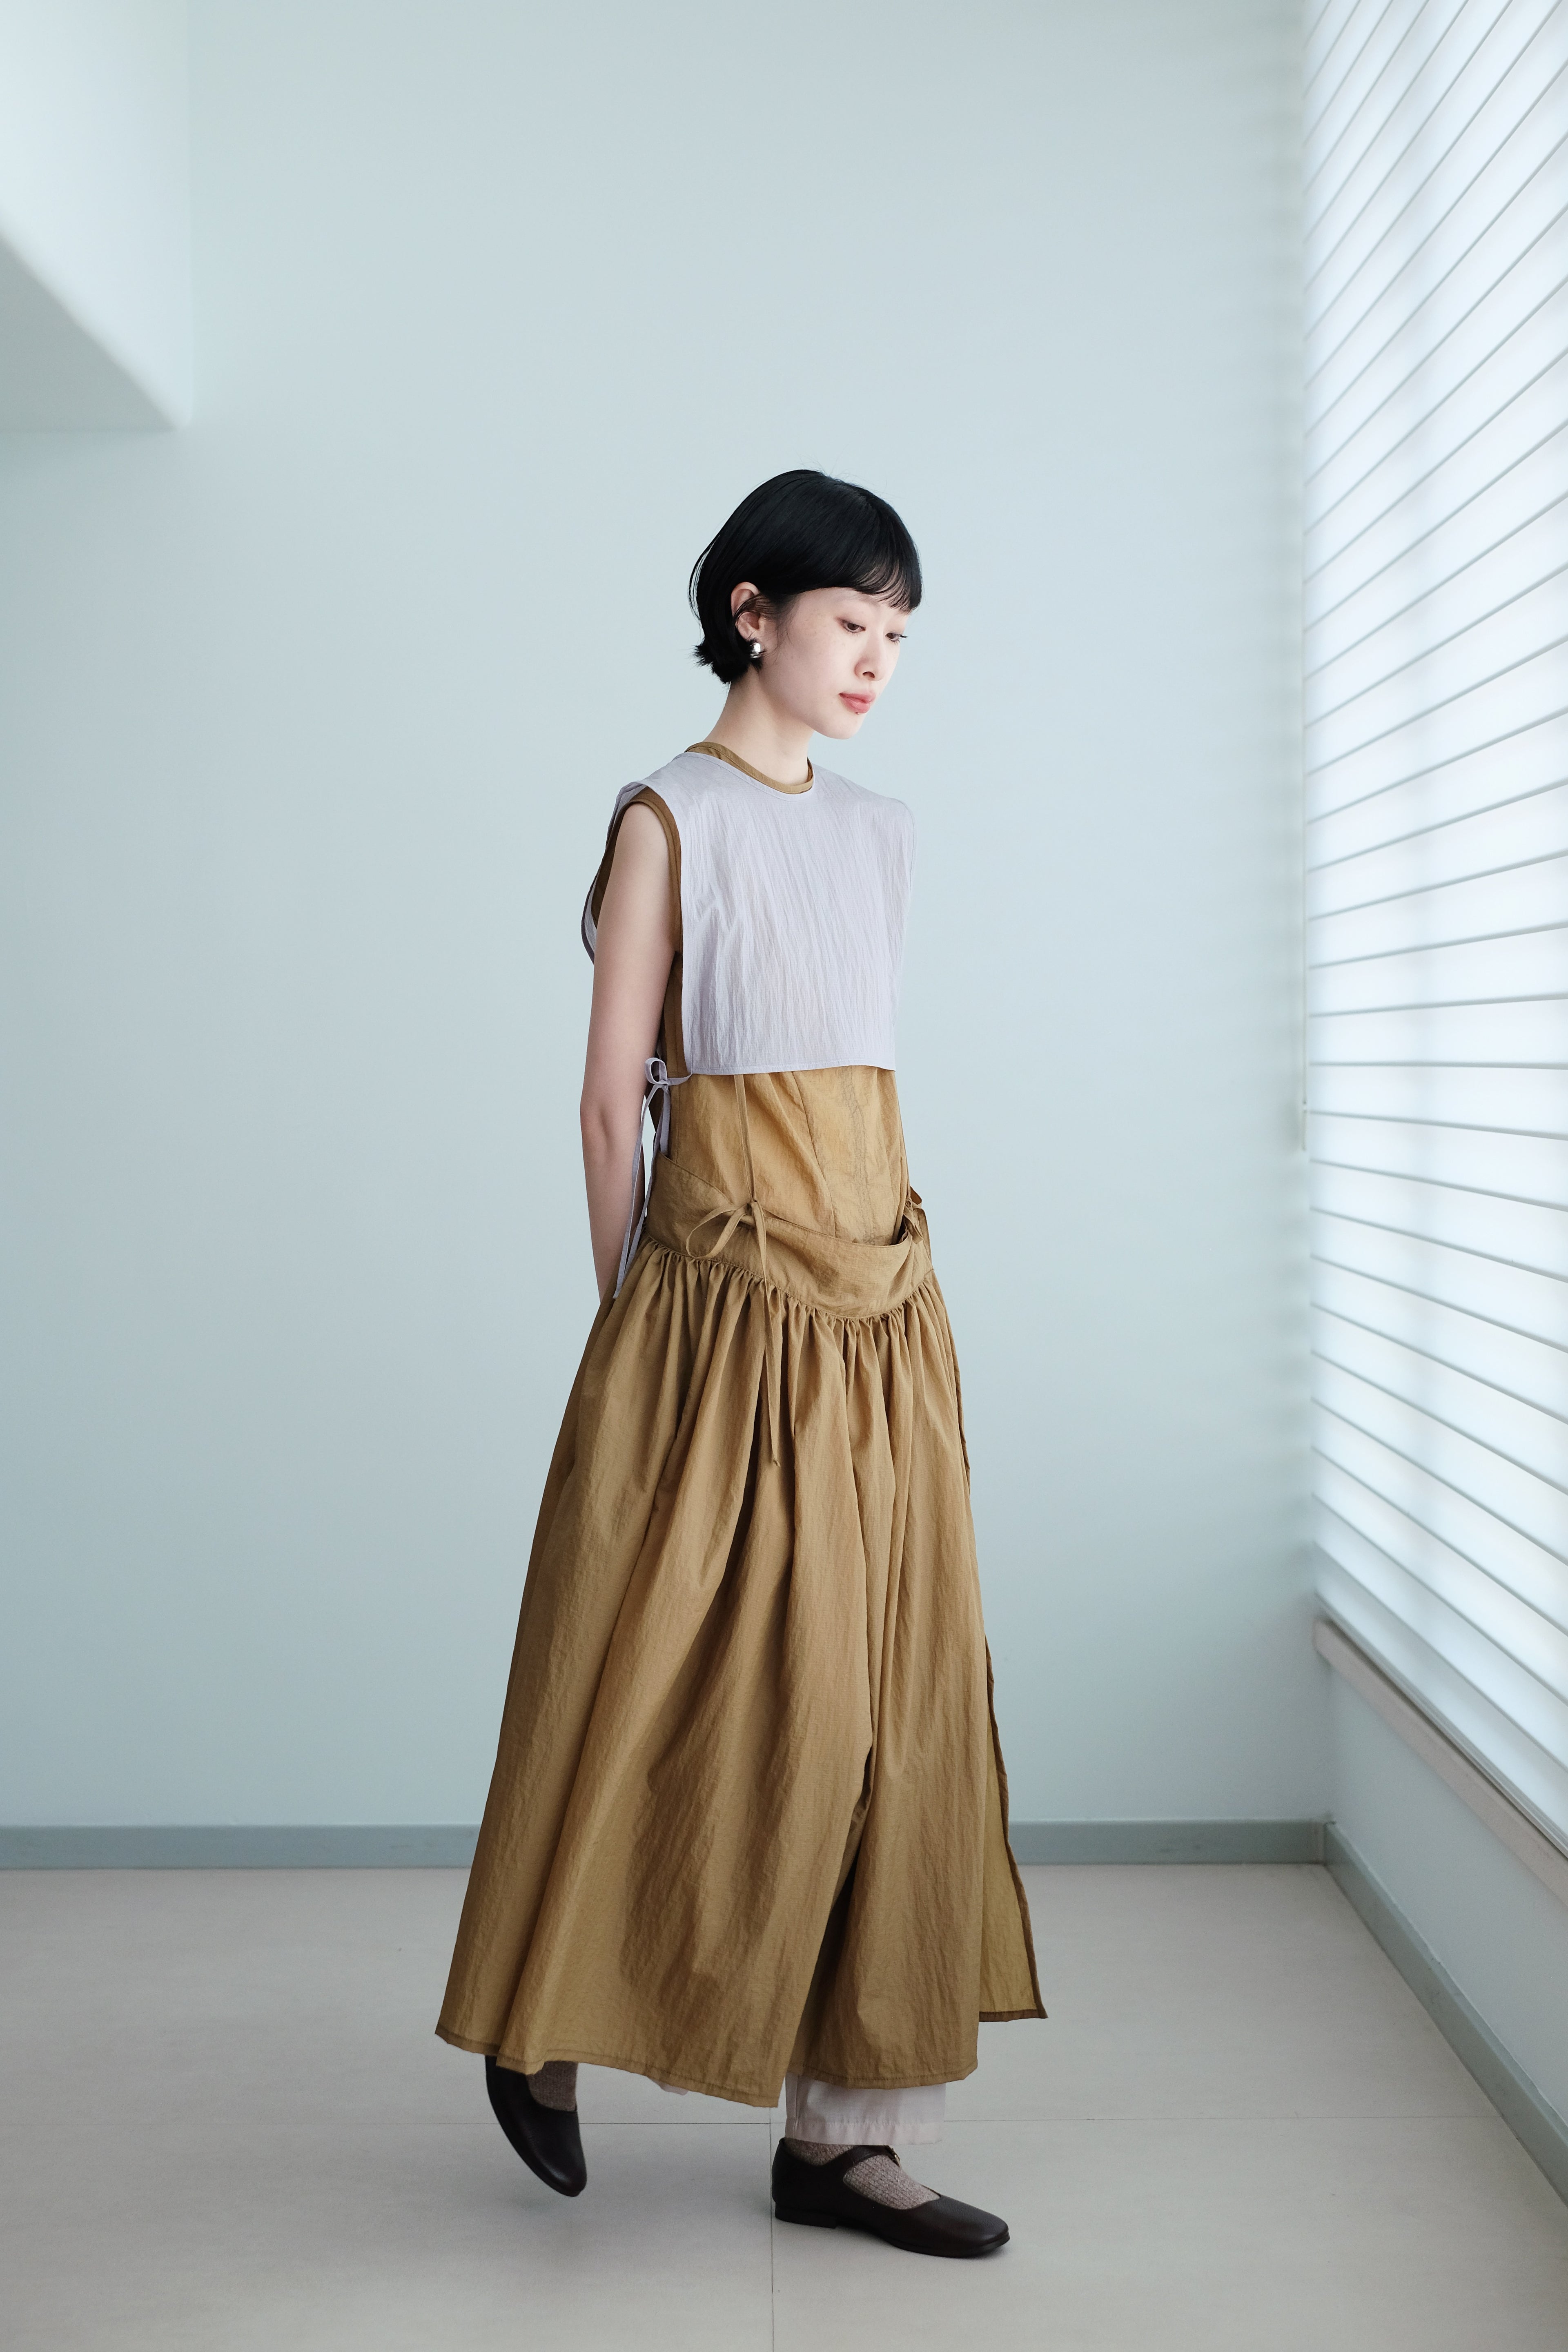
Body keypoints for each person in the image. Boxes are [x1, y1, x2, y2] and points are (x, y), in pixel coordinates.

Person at [437, 469, 1043, 2258]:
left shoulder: (885, 831)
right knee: (658, 1679)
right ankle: (540, 2023)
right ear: (753, 613)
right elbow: (608, 1098)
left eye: (900, 634)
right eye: (853, 621)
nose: (876, 660)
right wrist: (632, 1314)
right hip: (714, 1299)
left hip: (881, 1298)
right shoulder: (667, 819)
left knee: (889, 1704)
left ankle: (848, 2141)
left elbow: (858, 1075)